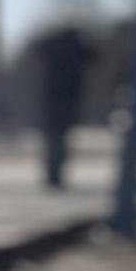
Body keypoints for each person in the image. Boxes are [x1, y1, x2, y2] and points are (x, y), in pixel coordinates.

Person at [31, 19, 95, 192]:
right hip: (68, 98)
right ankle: (55, 173)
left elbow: (38, 49)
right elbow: (94, 57)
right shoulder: (76, 47)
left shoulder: (54, 46)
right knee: (60, 139)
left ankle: (53, 173)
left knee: (54, 139)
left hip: (53, 97)